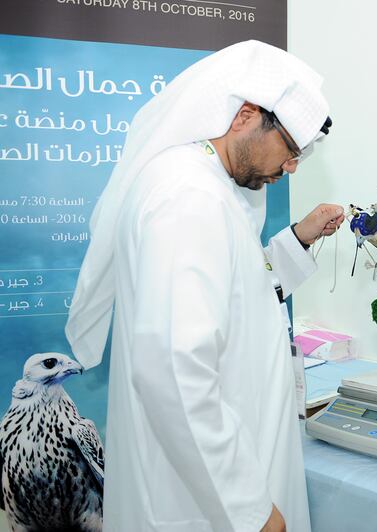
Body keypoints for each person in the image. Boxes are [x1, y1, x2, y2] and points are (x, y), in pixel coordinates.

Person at [65, 41, 345, 532]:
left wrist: (299, 239)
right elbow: (175, 370)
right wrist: (251, 512)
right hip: (200, 504)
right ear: (244, 116)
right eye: (292, 150)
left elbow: (241, 290)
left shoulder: (207, 186)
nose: (293, 166)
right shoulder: (189, 197)